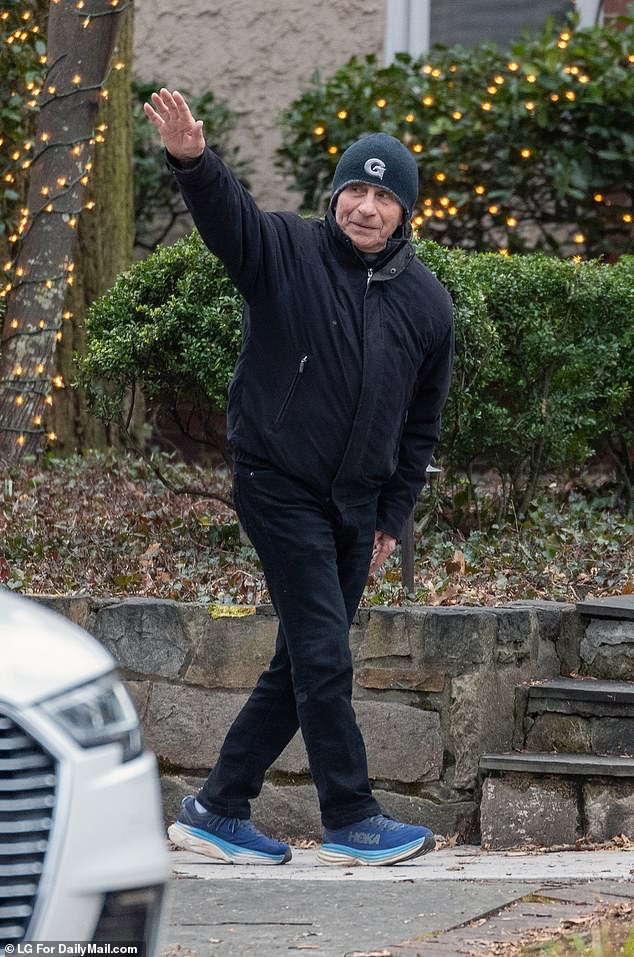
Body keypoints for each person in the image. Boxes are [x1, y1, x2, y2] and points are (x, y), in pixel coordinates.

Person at [144, 89, 454, 867]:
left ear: (404, 212)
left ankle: (218, 806)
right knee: (324, 652)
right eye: (356, 189)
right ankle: (351, 815)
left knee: (301, 661)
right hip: (278, 484)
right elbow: (230, 220)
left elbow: (420, 427)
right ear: (335, 195)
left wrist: (393, 515)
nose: (367, 206)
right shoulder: (285, 251)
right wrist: (194, 162)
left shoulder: (427, 304)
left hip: (357, 506)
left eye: (385, 196)